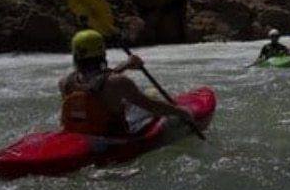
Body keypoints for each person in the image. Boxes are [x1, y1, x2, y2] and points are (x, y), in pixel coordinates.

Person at [59, 29, 200, 137]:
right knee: (151, 99)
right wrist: (182, 112)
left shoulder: (65, 82)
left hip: (82, 134)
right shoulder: (118, 82)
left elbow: (95, 86)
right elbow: (151, 106)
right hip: (113, 138)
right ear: (102, 52)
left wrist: (125, 65)